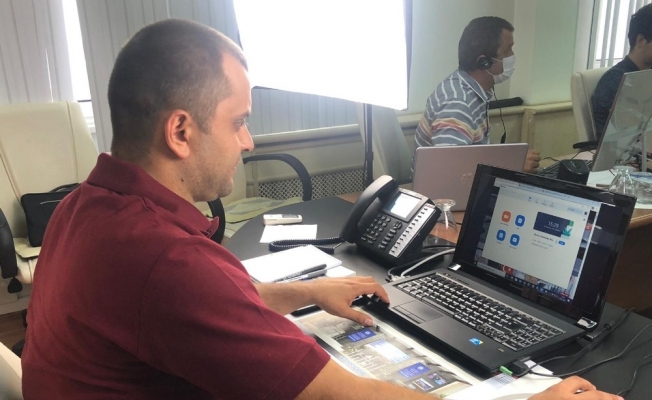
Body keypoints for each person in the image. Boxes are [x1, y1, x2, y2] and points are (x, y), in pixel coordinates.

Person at [21, 18, 622, 400]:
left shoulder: (87, 207)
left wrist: (305, 292)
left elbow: (198, 306)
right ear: (180, 131)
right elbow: (346, 394)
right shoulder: (165, 262)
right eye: (239, 122)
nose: (248, 141)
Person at [413, 17, 540, 173]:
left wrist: (511, 159)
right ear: (484, 62)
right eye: (507, 50)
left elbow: (471, 157)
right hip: (442, 188)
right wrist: (513, 165)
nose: (512, 55)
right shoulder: (457, 103)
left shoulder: (472, 91)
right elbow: (450, 171)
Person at [592, 4, 652, 139]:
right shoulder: (615, 80)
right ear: (640, 40)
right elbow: (629, 135)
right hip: (622, 150)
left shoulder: (647, 76)